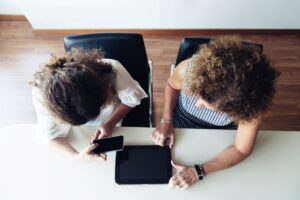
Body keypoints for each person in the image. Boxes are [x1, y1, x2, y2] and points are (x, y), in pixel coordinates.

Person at [151, 36, 279, 189]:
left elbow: (240, 149)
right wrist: (166, 119)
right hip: (179, 125)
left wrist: (197, 171)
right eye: (198, 96)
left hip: (219, 136)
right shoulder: (190, 70)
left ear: (236, 110)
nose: (198, 104)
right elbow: (171, 87)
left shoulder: (250, 106)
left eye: (206, 105)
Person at [31, 47, 147, 162]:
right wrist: (76, 157)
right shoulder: (40, 93)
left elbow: (131, 99)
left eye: (100, 107)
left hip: (113, 122)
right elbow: (50, 135)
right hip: (79, 136)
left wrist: (110, 123)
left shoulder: (113, 70)